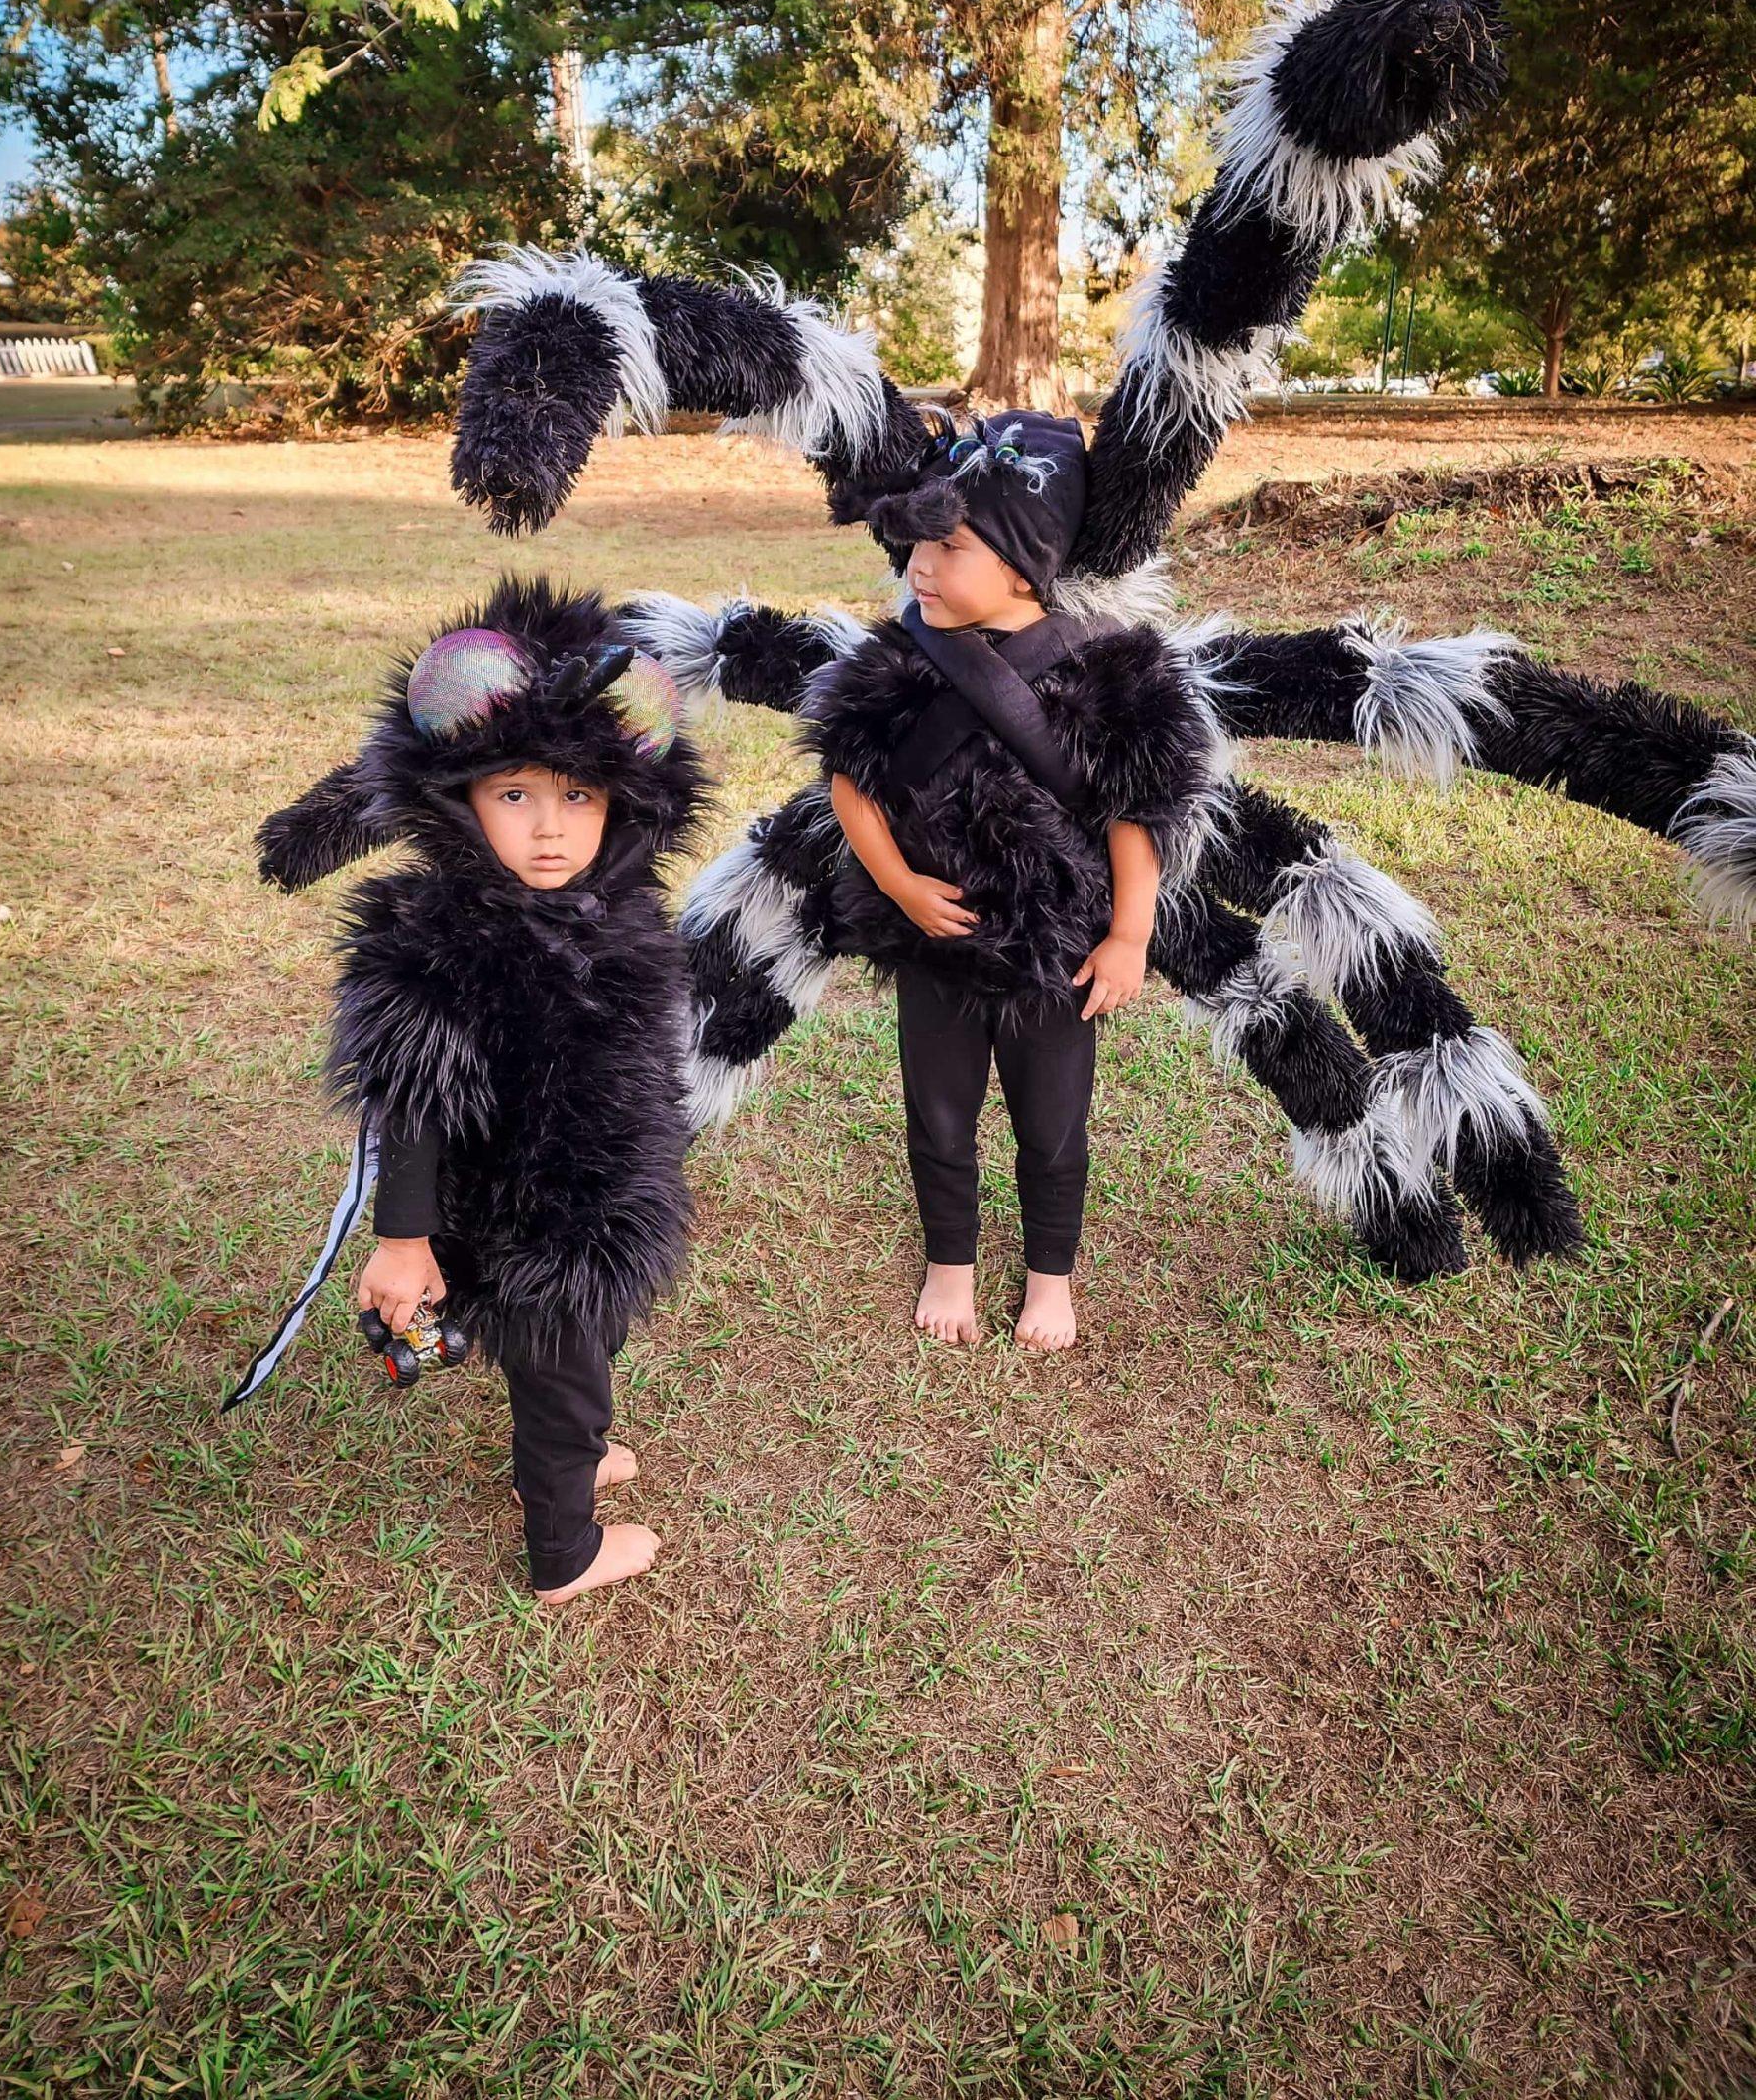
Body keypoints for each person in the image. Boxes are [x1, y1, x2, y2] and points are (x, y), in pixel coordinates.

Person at [249, 577, 705, 1602]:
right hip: (529, 1219)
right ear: (457, 799)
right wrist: (404, 1241)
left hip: (603, 1197)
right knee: (565, 1375)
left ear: (625, 799)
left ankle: (574, 1451)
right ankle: (567, 1549)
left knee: (581, 1356)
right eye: (514, 795)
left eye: (577, 796)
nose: (549, 828)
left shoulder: (616, 907)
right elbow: (409, 1106)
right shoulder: (436, 936)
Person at [805, 414, 1212, 1353]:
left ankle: (1049, 1276)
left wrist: (1129, 936)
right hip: (935, 945)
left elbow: (1134, 813)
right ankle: (951, 1258)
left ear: (1024, 564)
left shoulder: (1107, 671)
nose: (918, 567)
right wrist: (903, 886)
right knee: (937, 1116)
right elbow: (850, 785)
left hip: (1058, 951)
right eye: (916, 544)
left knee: (1054, 1127)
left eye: (948, 546)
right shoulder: (900, 660)